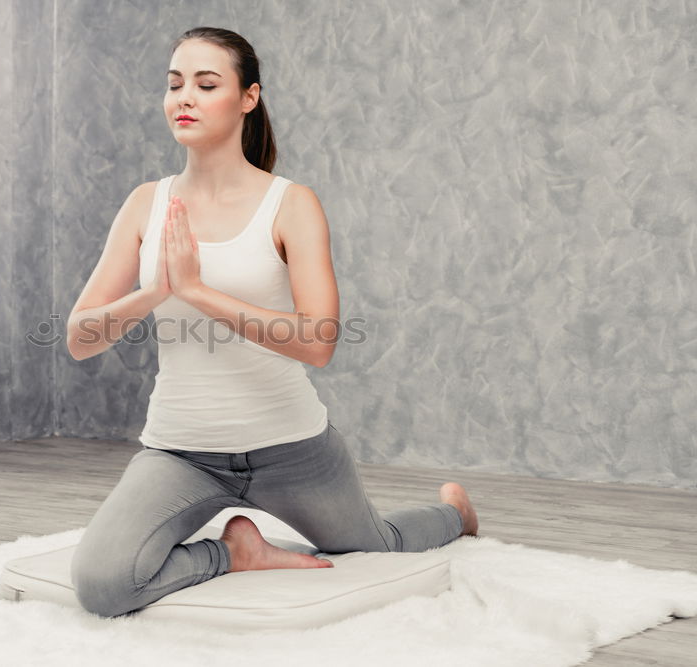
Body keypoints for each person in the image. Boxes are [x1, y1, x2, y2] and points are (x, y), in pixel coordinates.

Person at [64, 26, 478, 619]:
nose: (184, 97)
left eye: (207, 84)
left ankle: (457, 515)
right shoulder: (144, 204)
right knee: (104, 584)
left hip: (294, 450)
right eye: (174, 83)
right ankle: (236, 551)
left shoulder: (291, 203)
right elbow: (81, 338)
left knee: (374, 544)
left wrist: (199, 291)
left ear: (248, 98)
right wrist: (157, 288)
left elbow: (318, 343)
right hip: (181, 453)